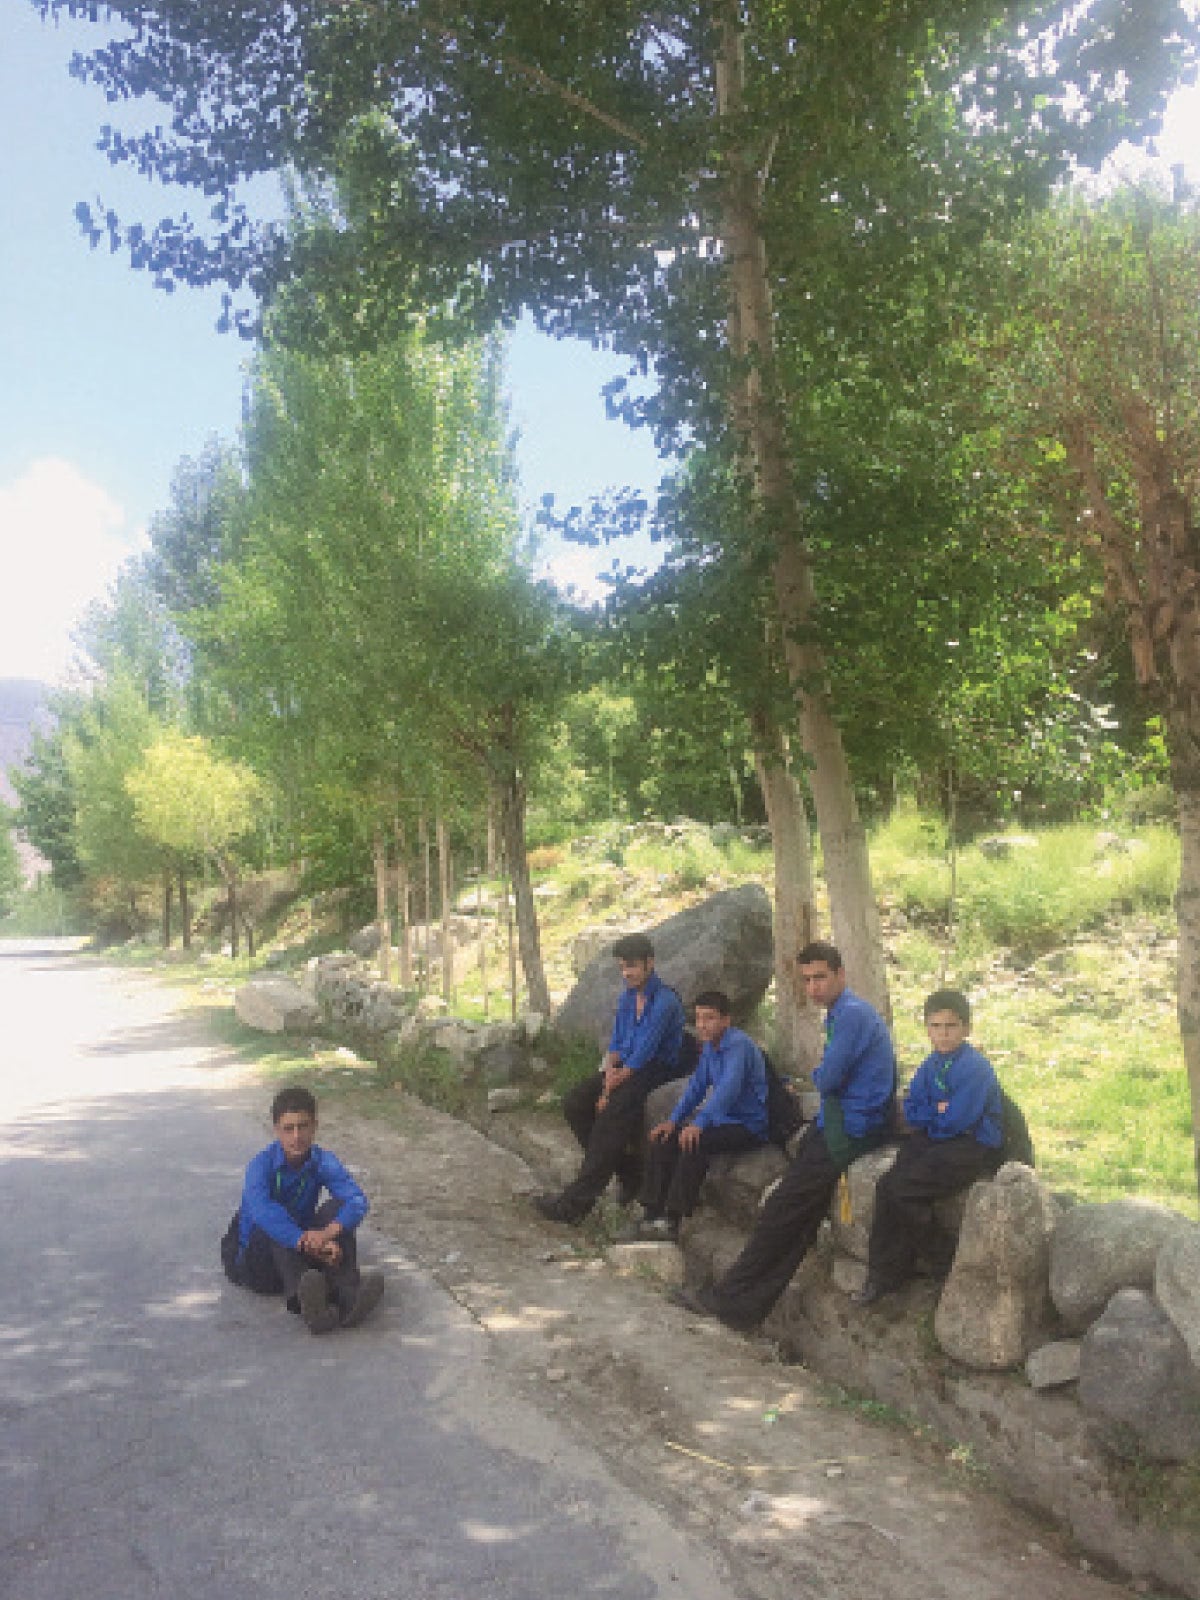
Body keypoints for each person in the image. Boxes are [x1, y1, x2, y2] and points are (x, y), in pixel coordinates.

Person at [672, 940, 895, 1330]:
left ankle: (728, 1302)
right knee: (794, 1219)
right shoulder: (841, 1014)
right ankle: (742, 1307)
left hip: (853, 1128)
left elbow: (827, 1077)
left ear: (841, 975)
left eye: (820, 978)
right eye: (807, 980)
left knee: (781, 1213)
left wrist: (822, 1074)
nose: (813, 988)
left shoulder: (853, 1016)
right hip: (835, 1122)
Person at [853, 989, 1003, 1305]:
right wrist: (939, 1110)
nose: (943, 1034)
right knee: (886, 1186)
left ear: (966, 1029)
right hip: (935, 1139)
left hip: (970, 1145)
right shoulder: (931, 1065)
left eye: (950, 1026)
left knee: (903, 1190)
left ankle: (943, 1259)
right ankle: (882, 1273)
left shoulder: (975, 1068)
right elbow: (913, 1108)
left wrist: (934, 1114)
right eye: (935, 1026)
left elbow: (958, 1120)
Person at [534, 933, 686, 1224]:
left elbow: (644, 1052)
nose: (627, 973)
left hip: (656, 1069)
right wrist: (607, 1075)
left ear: (649, 963)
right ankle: (629, 1173)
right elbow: (617, 1044)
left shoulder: (664, 1001)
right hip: (625, 1067)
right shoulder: (628, 997)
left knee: (611, 1118)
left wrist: (611, 1088)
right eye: (622, 967)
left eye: (632, 966)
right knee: (575, 1102)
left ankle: (575, 1205)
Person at [220, 1085, 385, 1334]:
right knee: (276, 1219)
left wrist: (327, 1235)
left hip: (299, 1252)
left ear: (314, 1126)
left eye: (303, 1126)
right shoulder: (260, 1166)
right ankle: (308, 1306)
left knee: (336, 1208)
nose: (297, 1136)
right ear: (276, 1130)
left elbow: (356, 1201)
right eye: (288, 1128)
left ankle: (348, 1296)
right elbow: (264, 1213)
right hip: (257, 1264)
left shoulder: (321, 1160)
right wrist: (306, 1241)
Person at [620, 990, 769, 1243]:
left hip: (748, 1124)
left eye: (709, 1018)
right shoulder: (710, 1046)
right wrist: (674, 1120)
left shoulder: (738, 1045)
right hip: (722, 1118)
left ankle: (672, 1221)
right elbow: (697, 1087)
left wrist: (699, 1123)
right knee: (665, 1138)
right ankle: (650, 1214)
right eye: (699, 1018)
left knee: (693, 1143)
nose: (702, 1024)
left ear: (726, 1020)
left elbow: (728, 1090)